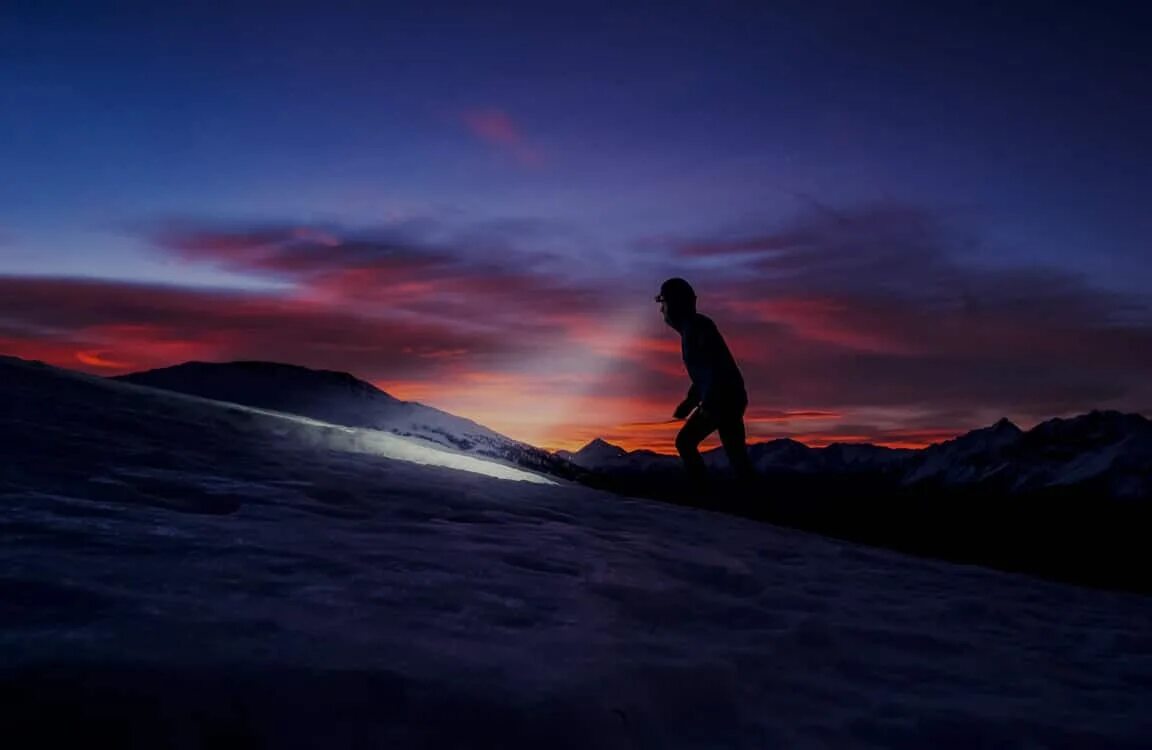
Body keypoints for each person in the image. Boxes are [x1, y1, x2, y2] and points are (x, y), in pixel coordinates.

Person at [656, 277, 756, 488]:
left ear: (674, 304)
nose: (661, 310)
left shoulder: (696, 329)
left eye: (663, 303)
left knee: (685, 442)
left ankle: (704, 493)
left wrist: (707, 403)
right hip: (729, 398)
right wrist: (690, 402)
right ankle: (755, 500)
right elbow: (705, 374)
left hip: (723, 400)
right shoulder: (694, 328)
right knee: (736, 456)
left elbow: (714, 368)